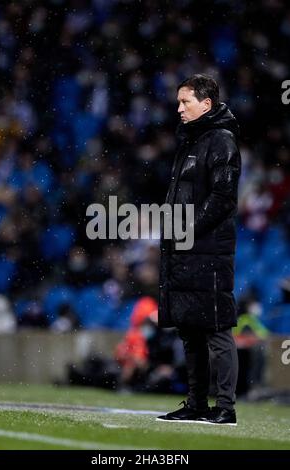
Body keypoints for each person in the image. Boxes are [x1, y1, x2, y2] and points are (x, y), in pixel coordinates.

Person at [157, 74, 241, 425]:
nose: (179, 108)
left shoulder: (221, 140)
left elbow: (222, 197)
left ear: (206, 104)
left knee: (217, 329)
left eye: (185, 102)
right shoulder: (190, 141)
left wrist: (187, 230)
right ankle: (196, 404)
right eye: (178, 102)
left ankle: (225, 408)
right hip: (186, 251)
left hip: (208, 252)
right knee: (190, 329)